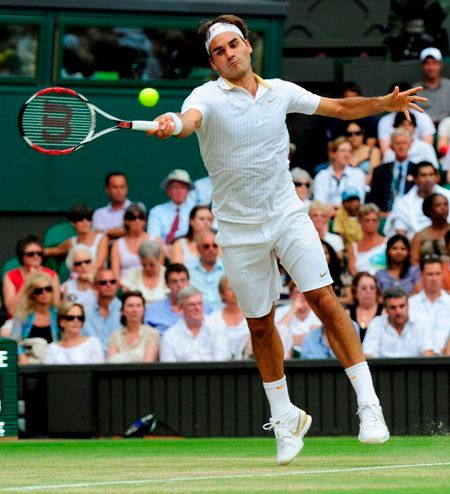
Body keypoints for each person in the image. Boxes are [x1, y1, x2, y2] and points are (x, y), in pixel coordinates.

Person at [147, 13, 425, 462]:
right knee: (259, 324)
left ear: (248, 46)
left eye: (233, 44)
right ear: (214, 63)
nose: (229, 54)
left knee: (325, 301)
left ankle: (369, 406)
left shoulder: (281, 92)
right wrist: (172, 124)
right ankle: (285, 417)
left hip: (287, 216)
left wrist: (384, 104)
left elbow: (339, 108)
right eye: (219, 52)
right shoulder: (206, 96)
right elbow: (188, 118)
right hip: (237, 230)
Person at [160, 286, 230, 362]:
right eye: (191, 305)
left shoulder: (217, 326)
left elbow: (222, 361)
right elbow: (169, 369)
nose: (197, 308)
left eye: (200, 303)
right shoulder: (169, 336)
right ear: (181, 308)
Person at [384, 161, 450, 240]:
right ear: (415, 178)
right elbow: (400, 234)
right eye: (423, 175)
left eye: (431, 174)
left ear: (436, 177)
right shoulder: (403, 204)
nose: (428, 179)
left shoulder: (448, 196)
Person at [363, 287, 434, 358]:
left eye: (402, 306)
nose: (398, 312)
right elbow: (368, 355)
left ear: (408, 306)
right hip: (383, 368)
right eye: (393, 307)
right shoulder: (376, 324)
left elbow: (428, 353)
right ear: (386, 309)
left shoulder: (421, 321)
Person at [3, 235, 60, 316]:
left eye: (39, 253)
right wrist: (28, 282)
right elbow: (11, 309)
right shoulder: (10, 276)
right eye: (31, 254)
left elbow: (55, 305)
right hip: (17, 319)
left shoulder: (51, 275)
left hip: (45, 319)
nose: (36, 256)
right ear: (22, 256)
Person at [10, 272, 59, 364]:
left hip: (53, 362)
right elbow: (13, 340)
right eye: (39, 291)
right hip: (29, 362)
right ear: (32, 294)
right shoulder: (22, 315)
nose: (44, 293)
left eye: (48, 289)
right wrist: (22, 356)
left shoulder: (58, 314)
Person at [44, 204, 108, 270]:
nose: (85, 222)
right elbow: (55, 250)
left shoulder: (101, 238)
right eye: (79, 219)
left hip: (97, 277)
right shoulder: (71, 242)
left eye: (88, 218)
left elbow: (99, 263)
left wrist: (89, 275)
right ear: (72, 223)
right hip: (77, 278)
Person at [367, 128, 416, 213]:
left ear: (410, 145)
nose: (401, 146)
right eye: (397, 143)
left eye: (404, 143)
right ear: (391, 147)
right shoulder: (380, 171)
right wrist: (381, 213)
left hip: (410, 214)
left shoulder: (417, 170)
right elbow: (373, 198)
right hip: (385, 214)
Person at [408, 255, 450, 355]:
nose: (434, 278)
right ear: (421, 275)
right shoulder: (410, 304)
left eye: (438, 273)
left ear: (443, 274)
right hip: (417, 361)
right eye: (430, 274)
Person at [377, 82, 435, 154]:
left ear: (411, 97)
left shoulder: (423, 117)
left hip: (419, 159)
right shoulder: (384, 121)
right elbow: (385, 151)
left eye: (404, 97)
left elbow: (427, 147)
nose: (401, 100)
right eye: (397, 98)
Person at [313, 137, 366, 215]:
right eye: (343, 151)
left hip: (350, 218)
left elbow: (358, 203)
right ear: (333, 153)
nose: (347, 155)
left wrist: (338, 210)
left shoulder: (358, 174)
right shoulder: (322, 175)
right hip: (326, 218)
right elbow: (319, 204)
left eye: (350, 151)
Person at [147, 169, 196, 247]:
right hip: (162, 252)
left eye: (183, 187)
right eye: (175, 187)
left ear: (188, 191)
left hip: (189, 251)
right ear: (168, 191)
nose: (179, 191)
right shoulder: (156, 211)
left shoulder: (195, 211)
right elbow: (153, 238)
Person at [206, 275, 250, 360]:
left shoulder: (252, 316)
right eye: (230, 289)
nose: (235, 292)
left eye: (237, 288)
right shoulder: (213, 318)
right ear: (222, 294)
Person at [108, 291, 159, 363]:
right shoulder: (115, 335)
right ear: (122, 311)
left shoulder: (152, 333)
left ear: (144, 310)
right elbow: (111, 365)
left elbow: (148, 364)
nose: (134, 310)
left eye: (138, 305)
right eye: (130, 306)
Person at [110, 203, 158, 279]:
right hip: (126, 287)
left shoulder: (155, 240)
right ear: (126, 221)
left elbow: (159, 269)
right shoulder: (118, 244)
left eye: (141, 217)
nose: (137, 221)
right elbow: (115, 275)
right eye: (133, 218)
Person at [275, 281, 321, 357]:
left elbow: (319, 341)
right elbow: (277, 338)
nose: (302, 296)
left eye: (305, 292)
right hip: (285, 356)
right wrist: (293, 309)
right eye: (298, 292)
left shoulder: (318, 313)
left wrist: (289, 338)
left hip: (312, 356)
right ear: (291, 296)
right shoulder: (280, 312)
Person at [92, 172, 142, 240]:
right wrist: (121, 231)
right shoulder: (99, 214)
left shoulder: (138, 207)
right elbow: (97, 237)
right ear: (107, 189)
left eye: (122, 187)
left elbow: (135, 232)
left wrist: (105, 231)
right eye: (115, 187)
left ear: (126, 188)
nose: (119, 190)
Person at [84, 268, 121, 354]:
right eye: (103, 282)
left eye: (112, 282)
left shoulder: (126, 311)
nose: (108, 285)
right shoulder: (85, 314)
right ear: (94, 285)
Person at [186, 229, 225, 311]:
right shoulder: (187, 270)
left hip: (223, 316)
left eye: (214, 245)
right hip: (197, 315)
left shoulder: (227, 268)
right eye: (206, 246)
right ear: (198, 248)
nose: (211, 249)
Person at [413, 47, 450, 125]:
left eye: (434, 63)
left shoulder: (449, 86)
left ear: (440, 64)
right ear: (422, 65)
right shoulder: (414, 89)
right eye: (427, 63)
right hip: (422, 129)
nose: (431, 67)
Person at [347, 204, 386, 276]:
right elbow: (352, 272)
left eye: (374, 220)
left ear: (379, 222)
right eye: (367, 220)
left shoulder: (387, 243)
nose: (371, 223)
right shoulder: (353, 247)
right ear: (360, 222)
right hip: (361, 284)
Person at [410, 193, 450, 264]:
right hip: (427, 273)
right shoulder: (419, 236)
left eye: (446, 204)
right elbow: (414, 261)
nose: (443, 207)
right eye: (438, 205)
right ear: (430, 210)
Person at [347, 272, 383, 342]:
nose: (368, 291)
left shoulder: (385, 311)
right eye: (364, 288)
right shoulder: (347, 313)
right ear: (355, 291)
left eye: (372, 288)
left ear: (377, 291)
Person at [61, 244, 97, 310]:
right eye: (78, 263)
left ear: (93, 262)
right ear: (72, 267)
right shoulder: (66, 288)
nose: (83, 266)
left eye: (87, 261)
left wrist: (95, 283)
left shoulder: (102, 284)